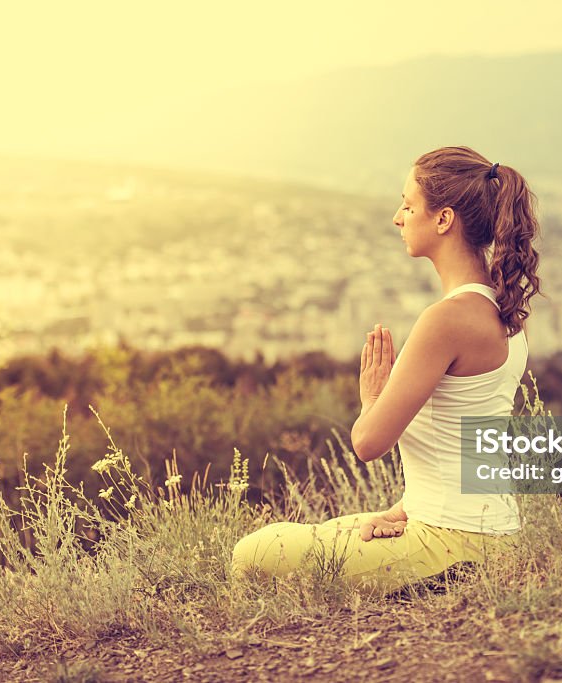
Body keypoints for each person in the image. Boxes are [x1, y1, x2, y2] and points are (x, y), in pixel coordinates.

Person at [231, 146, 544, 596]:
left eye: (408, 205)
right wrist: (406, 510)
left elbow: (368, 443)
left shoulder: (446, 320)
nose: (398, 217)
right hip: (486, 532)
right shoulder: (506, 311)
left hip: (455, 544)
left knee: (255, 552)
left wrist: (372, 399)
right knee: (337, 529)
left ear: (444, 220)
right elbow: (463, 446)